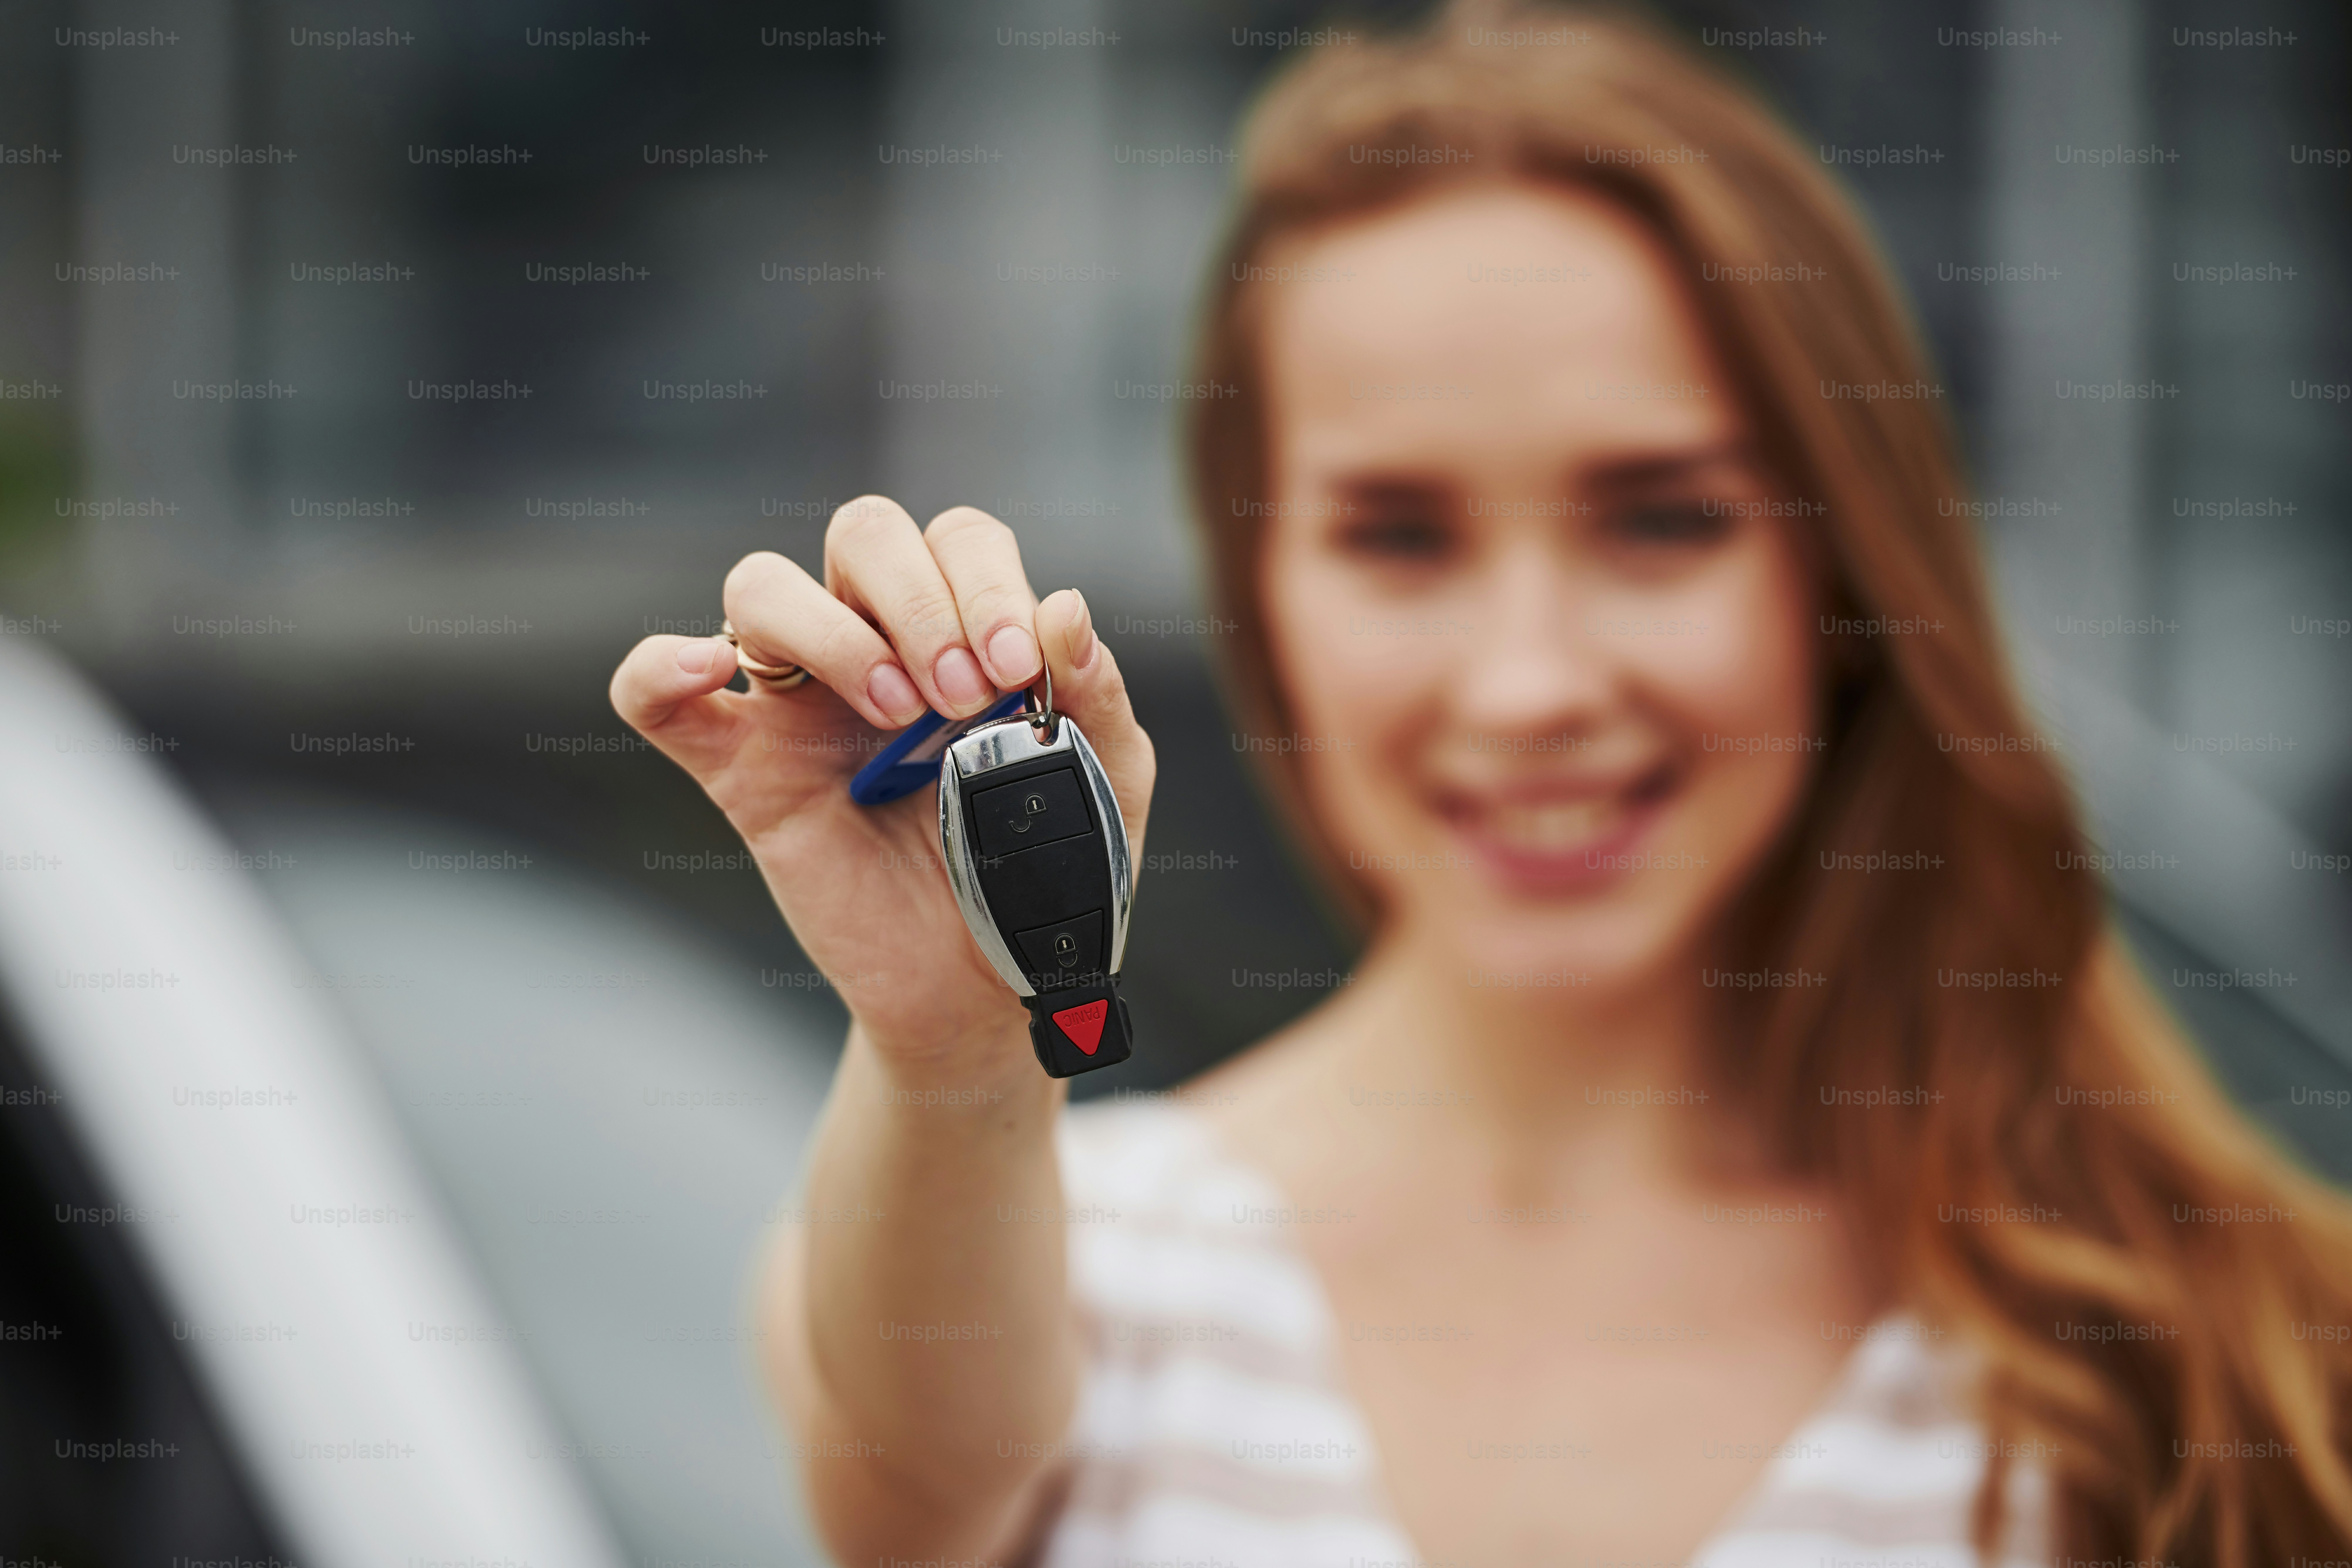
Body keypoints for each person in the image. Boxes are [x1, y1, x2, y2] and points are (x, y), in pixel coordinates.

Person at [609, 7, 2352, 1566]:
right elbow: (908, 1492)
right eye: (1400, 535)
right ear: (1264, 596)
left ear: (1842, 568)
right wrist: (964, 1044)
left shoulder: (2248, 1345)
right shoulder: (1070, 1265)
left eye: (1661, 516)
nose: (1531, 685)